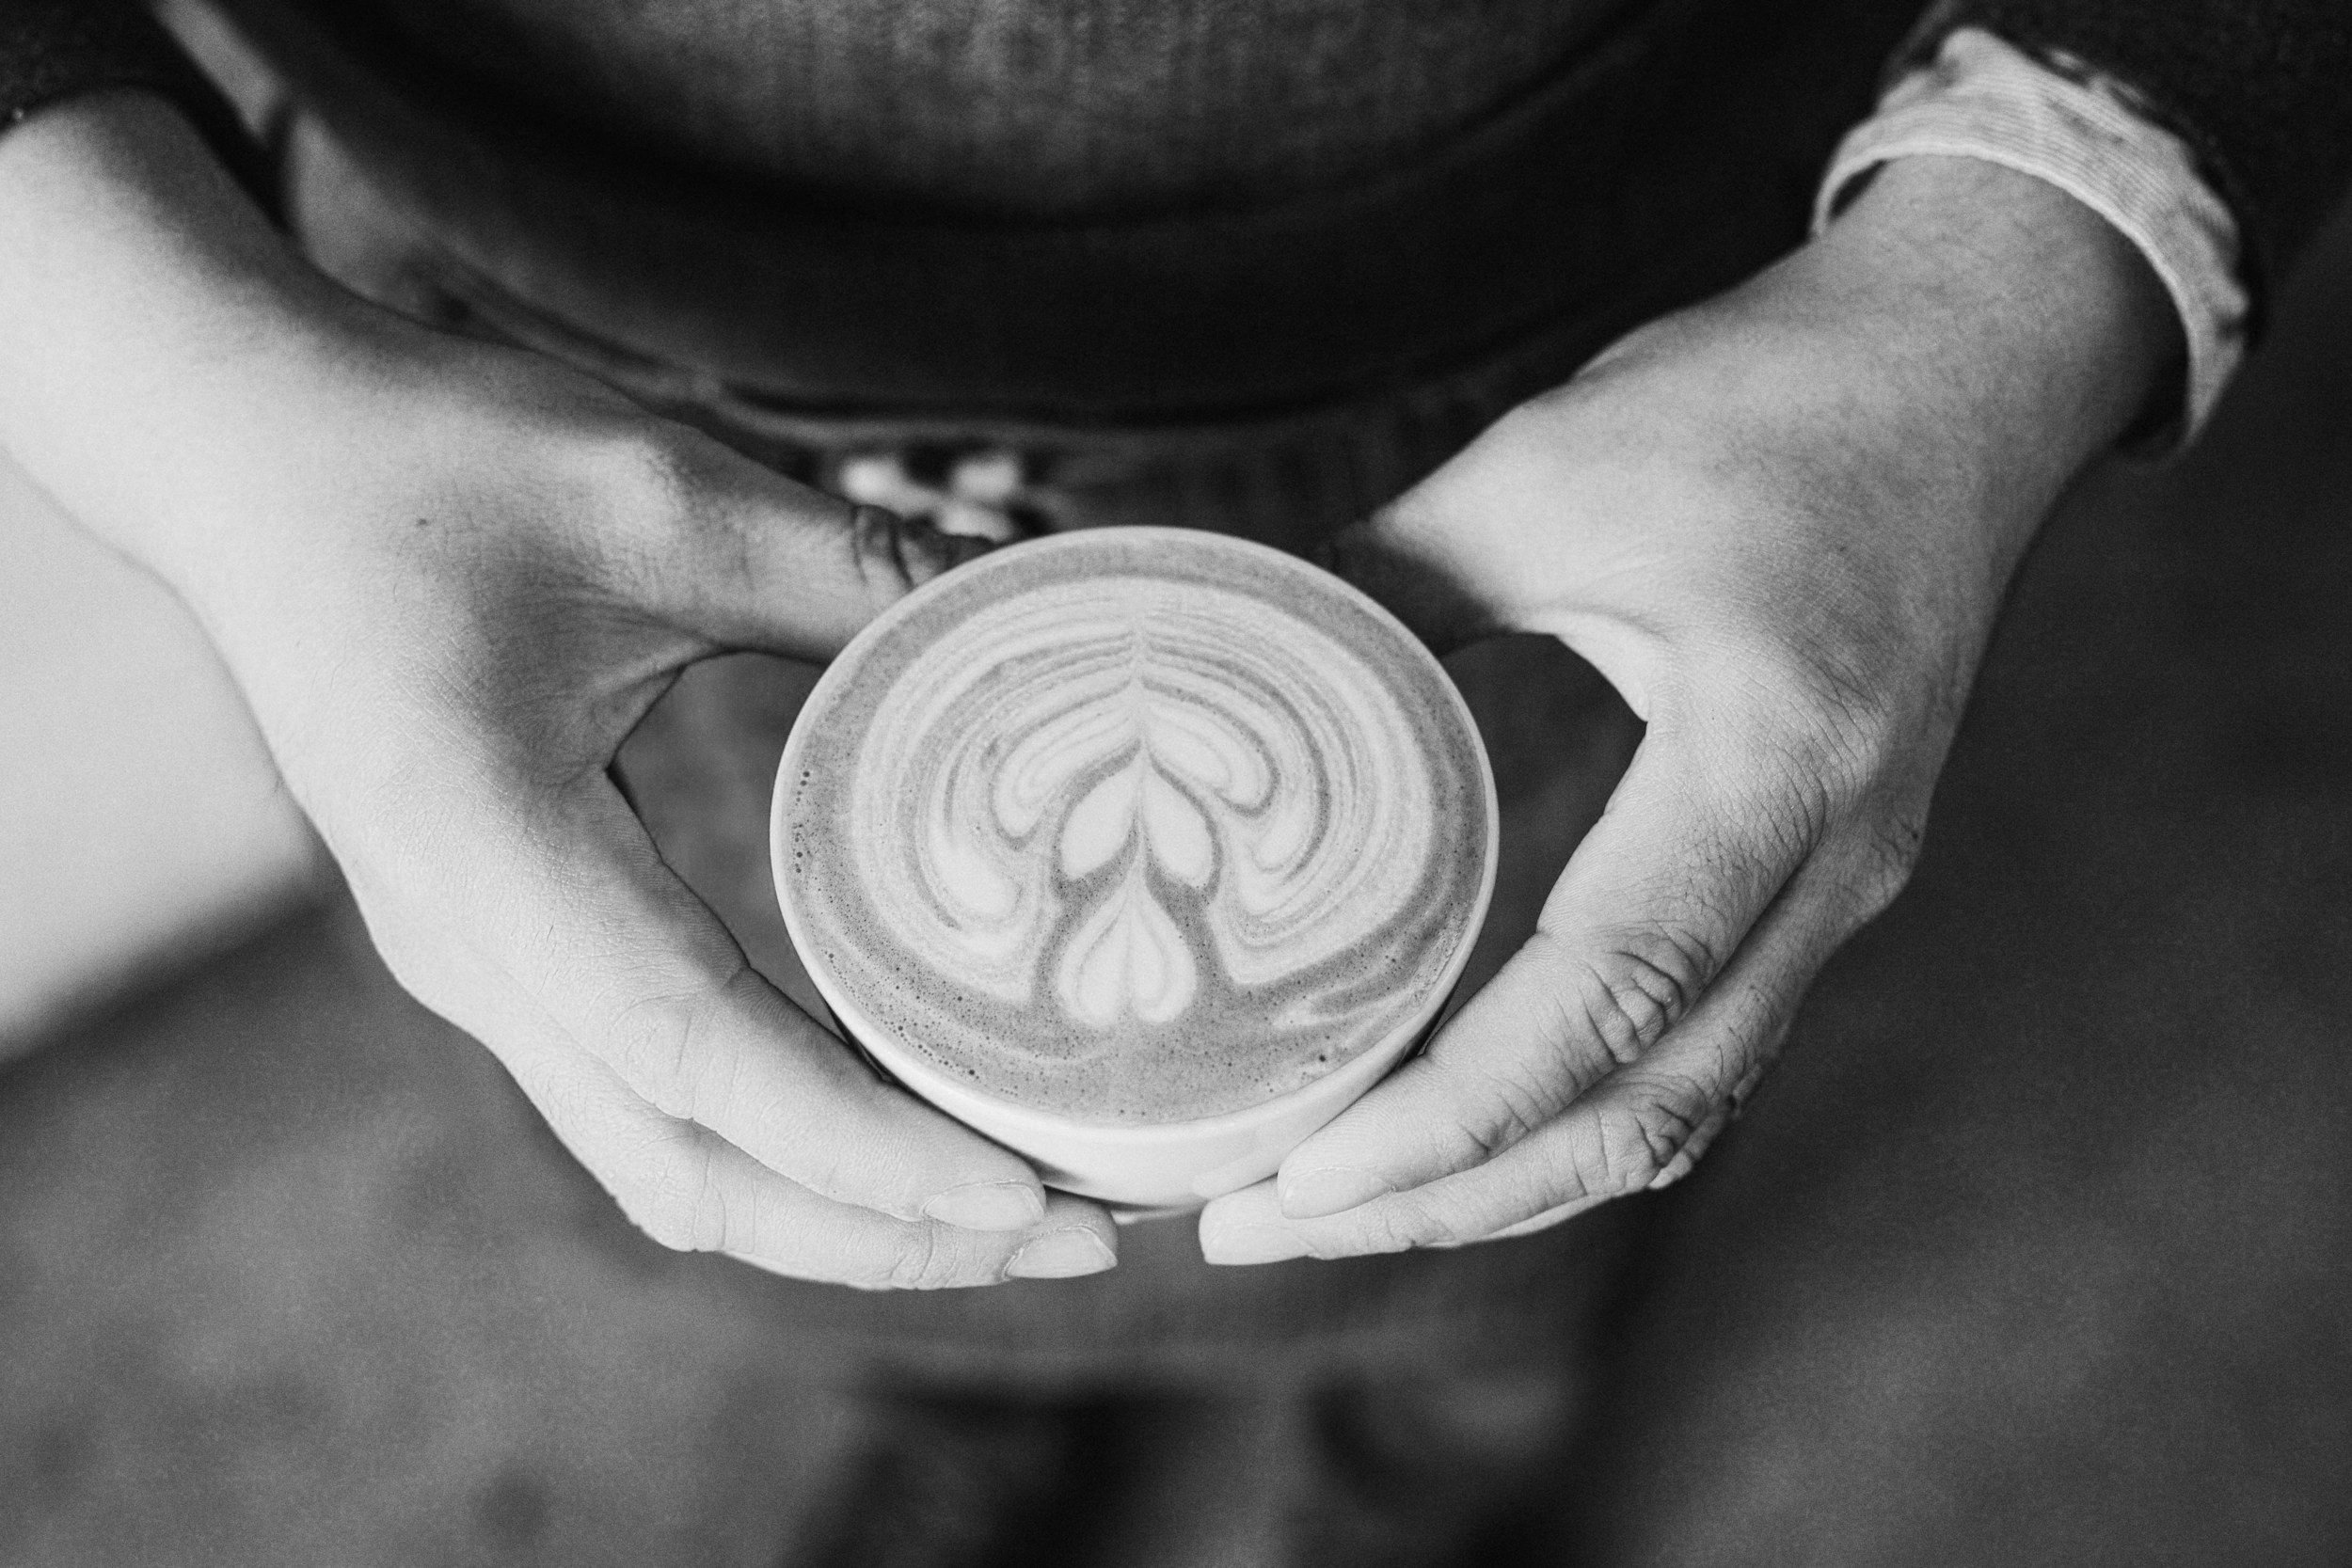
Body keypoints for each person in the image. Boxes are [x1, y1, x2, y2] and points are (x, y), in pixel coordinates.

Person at [2, 0, 2347, 1560]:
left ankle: (1420, 1471)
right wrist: (171, 377)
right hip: (516, 402)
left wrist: (2013, 253)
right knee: (816, 1120)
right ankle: (979, 1395)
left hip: (1599, 363)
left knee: (1546, 1108)